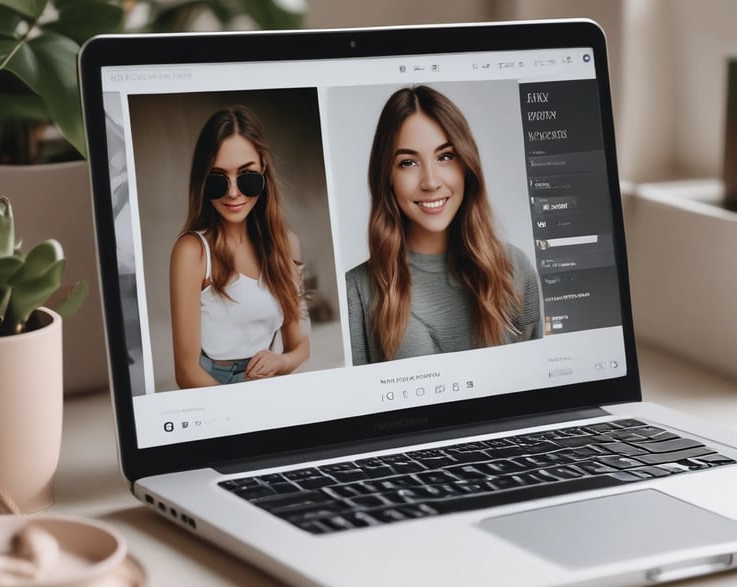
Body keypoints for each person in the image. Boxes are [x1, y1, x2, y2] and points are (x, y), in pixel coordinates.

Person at [346, 85, 542, 365]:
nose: (431, 182)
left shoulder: (515, 266)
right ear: (386, 175)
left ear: (466, 164)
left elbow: (541, 385)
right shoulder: (357, 289)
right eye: (408, 162)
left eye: (445, 157)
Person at [170, 106, 309, 387]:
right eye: (218, 180)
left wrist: (281, 361)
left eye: (247, 177)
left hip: (270, 382)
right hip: (213, 385)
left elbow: (300, 344)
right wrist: (235, 412)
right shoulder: (192, 252)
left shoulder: (286, 245)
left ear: (264, 170)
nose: (233, 192)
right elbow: (186, 373)